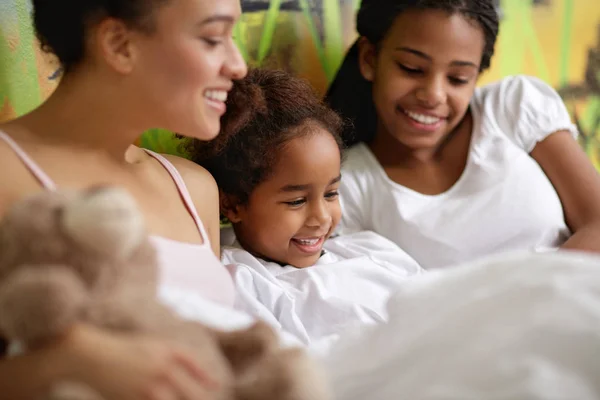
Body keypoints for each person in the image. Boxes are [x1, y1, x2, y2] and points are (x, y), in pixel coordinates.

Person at [0, 0, 247, 398]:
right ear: (118, 44)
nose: (238, 66)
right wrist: (61, 364)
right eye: (213, 38)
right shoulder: (6, 171)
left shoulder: (194, 188)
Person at [325, 0, 600, 269]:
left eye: (458, 78)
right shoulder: (346, 187)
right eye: (411, 68)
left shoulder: (512, 107)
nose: (433, 95)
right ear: (370, 59)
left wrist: (542, 301)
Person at [185, 68, 424, 346]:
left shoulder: (373, 252)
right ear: (234, 203)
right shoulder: (242, 282)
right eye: (297, 201)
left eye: (332, 193)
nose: (321, 218)